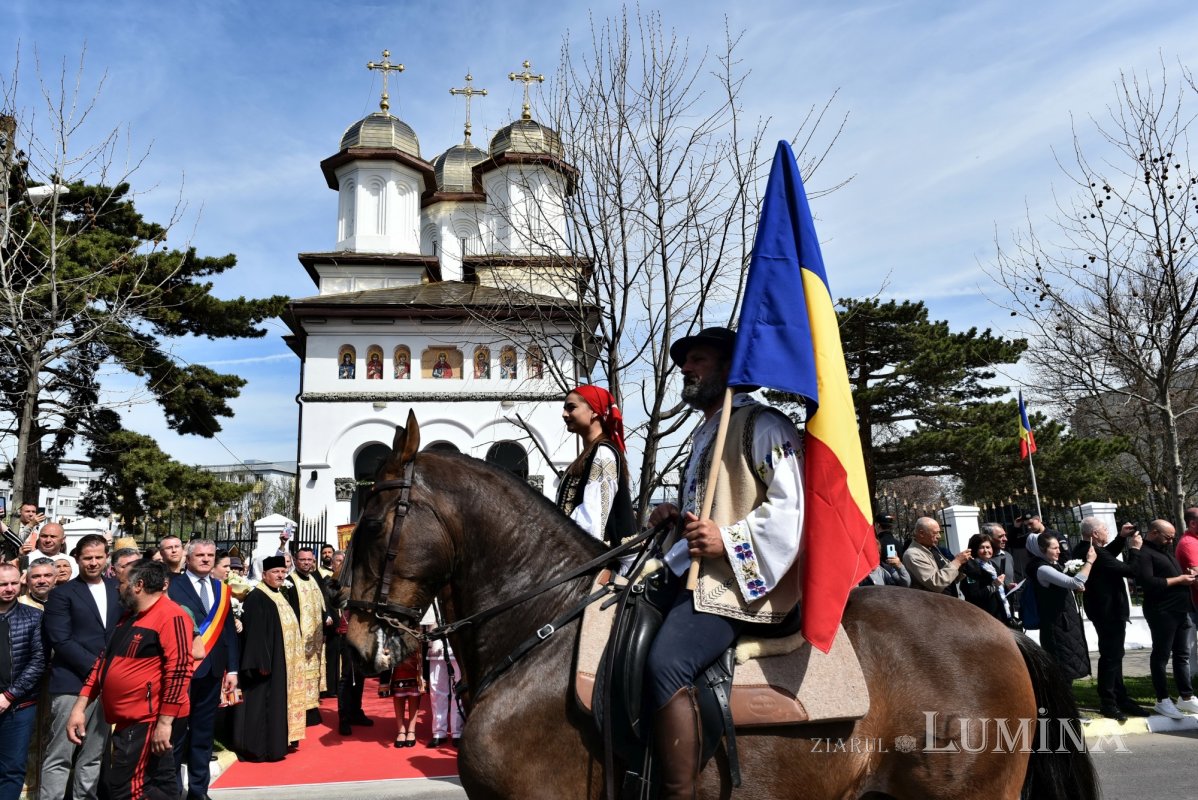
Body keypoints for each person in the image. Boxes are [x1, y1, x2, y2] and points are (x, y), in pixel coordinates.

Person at [644, 327, 803, 799]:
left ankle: (679, 793)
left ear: (732, 368)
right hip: (697, 575)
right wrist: (675, 520)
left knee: (666, 664)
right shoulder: (705, 433)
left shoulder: (766, 425)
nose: (685, 369)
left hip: (742, 585)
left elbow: (791, 511)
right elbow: (708, 510)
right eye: (685, 363)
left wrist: (728, 540)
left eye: (697, 360)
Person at [67, 560, 192, 800]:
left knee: (128, 789)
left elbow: (179, 671)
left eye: (122, 582)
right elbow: (103, 663)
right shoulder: (130, 616)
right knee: (158, 786)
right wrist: (80, 707)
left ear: (139, 585)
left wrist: (164, 723)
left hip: (148, 719)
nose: (116, 587)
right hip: (131, 719)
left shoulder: (171, 615)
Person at [39, 533, 119, 800]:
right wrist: (98, 668)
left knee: (94, 755)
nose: (93, 563)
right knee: (60, 754)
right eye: (87, 558)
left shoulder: (117, 588)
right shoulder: (61, 594)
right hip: (72, 684)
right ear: (77, 559)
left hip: (106, 687)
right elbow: (61, 640)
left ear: (107, 557)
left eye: (98, 557)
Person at [167, 539, 239, 800]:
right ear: (188, 557)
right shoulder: (173, 586)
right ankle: (172, 791)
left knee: (203, 734)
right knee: (175, 735)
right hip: (182, 671)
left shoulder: (221, 588)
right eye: (200, 555)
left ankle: (199, 792)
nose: (206, 559)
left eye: (210, 555)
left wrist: (232, 669)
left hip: (213, 672)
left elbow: (228, 631)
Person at [1073, 516, 1147, 720]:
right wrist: (1135, 549)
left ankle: (1120, 696)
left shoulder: (1087, 549)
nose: (1107, 531)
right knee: (1111, 657)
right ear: (1095, 533)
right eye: (1105, 529)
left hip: (1105, 610)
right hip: (1108, 612)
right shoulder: (1093, 551)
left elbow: (1108, 557)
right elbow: (1131, 570)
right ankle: (1109, 702)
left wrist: (1121, 537)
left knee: (1115, 655)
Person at [233, 555, 304, 762]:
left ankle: (275, 745)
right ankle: (258, 749)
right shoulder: (257, 597)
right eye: (275, 572)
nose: (280, 575)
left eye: (282, 572)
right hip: (265, 666)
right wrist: (260, 662)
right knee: (260, 707)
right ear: (264, 575)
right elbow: (255, 633)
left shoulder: (278, 594)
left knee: (275, 706)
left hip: (281, 663)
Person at [556, 385, 636, 556]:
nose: (564, 414)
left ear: (594, 412)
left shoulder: (603, 452)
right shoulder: (590, 453)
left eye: (571, 407)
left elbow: (593, 518)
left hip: (599, 559)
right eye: (565, 408)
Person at [1133, 519, 1198, 719]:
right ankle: (1163, 699)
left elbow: (1169, 575)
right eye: (1167, 537)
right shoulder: (1144, 553)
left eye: (1172, 537)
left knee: (1182, 655)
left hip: (1181, 610)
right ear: (1154, 532)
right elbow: (1148, 582)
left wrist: (1187, 575)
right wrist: (1179, 579)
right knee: (1161, 656)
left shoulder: (1163, 551)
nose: (1171, 541)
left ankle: (1185, 697)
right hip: (1162, 612)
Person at [0, 562, 46, 800]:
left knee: (12, 768)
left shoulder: (34, 617)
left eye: (13, 583)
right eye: (2, 584)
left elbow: (39, 661)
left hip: (19, 706)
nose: (9, 588)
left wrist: (8, 696)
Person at [1026, 531, 1094, 681]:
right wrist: (1089, 562)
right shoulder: (1042, 568)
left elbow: (1066, 585)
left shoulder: (1053, 565)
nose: (1059, 551)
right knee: (1061, 669)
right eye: (1054, 548)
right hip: (1058, 625)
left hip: (1066, 622)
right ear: (1042, 550)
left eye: (1059, 547)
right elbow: (1074, 581)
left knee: (1067, 668)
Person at [284, 547, 330, 726]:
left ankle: (312, 707)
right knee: (300, 673)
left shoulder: (314, 579)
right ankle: (300, 709)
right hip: (300, 638)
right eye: (303, 560)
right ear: (296, 561)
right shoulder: (289, 581)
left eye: (310, 560)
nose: (306, 563)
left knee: (314, 673)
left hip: (316, 638)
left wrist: (325, 621)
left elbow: (321, 604)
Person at [422, 602, 463, 748]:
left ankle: (458, 731)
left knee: (458, 688)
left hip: (457, 642)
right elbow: (425, 621)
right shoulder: (432, 594)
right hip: (436, 643)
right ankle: (439, 732)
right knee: (436, 690)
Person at [902, 517, 970, 597]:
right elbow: (936, 583)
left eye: (939, 532)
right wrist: (957, 562)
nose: (939, 536)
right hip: (933, 605)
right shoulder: (913, 554)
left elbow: (949, 575)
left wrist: (962, 564)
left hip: (949, 601)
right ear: (921, 533)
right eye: (935, 533)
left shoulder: (932, 547)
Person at [959, 532, 1012, 625]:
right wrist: (994, 585)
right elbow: (974, 596)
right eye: (982, 547)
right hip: (985, 618)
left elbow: (999, 590)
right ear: (975, 549)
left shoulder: (992, 565)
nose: (986, 550)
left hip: (1001, 614)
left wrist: (1008, 588)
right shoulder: (971, 568)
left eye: (988, 547)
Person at [380, 648, 423, 747]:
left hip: (414, 643)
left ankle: (412, 730)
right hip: (395, 646)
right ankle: (401, 730)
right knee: (398, 691)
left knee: (414, 691)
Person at [1175, 508, 1198, 683]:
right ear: (1192, 523)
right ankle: (1190, 680)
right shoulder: (1189, 543)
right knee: (1188, 646)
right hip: (1193, 602)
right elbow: (1195, 575)